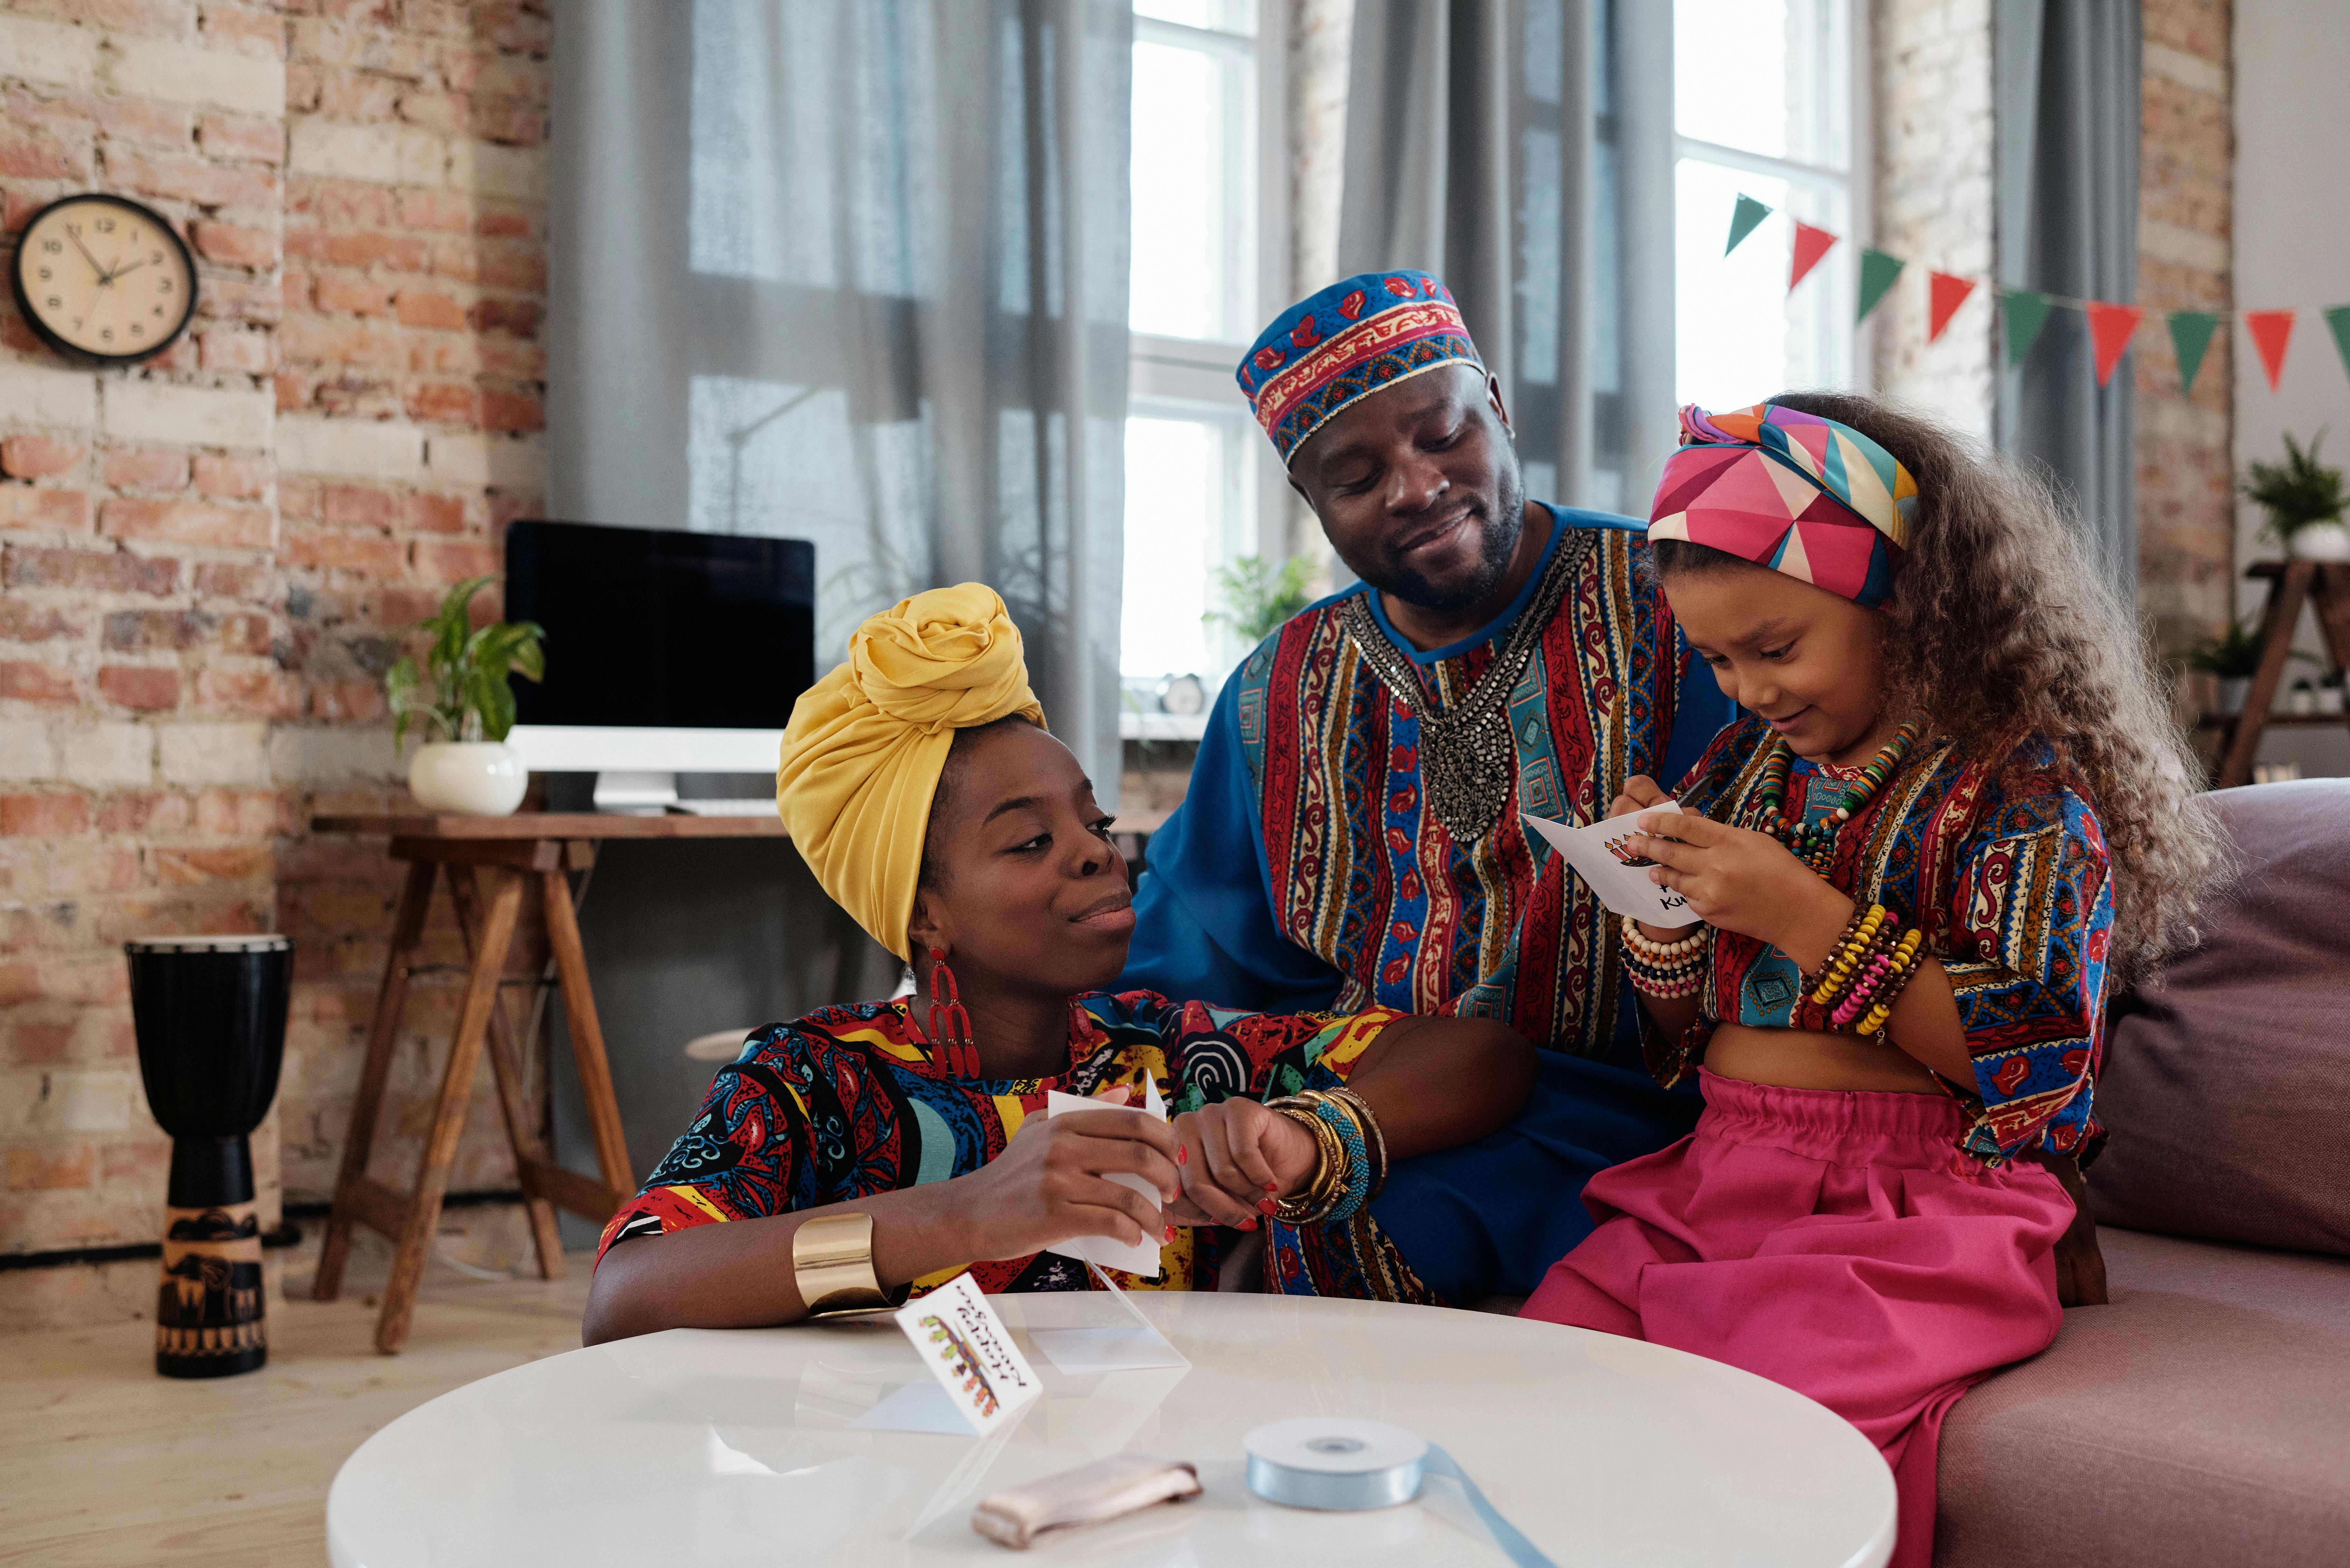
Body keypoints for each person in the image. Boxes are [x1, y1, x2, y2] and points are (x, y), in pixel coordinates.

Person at [1520, 397, 2223, 1567]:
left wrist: (1804, 915)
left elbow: (2035, 1053)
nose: (1747, 688)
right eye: (1717, 659)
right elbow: (1687, 1022)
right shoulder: (1750, 766)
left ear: (1899, 594)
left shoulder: (2022, 781)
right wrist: (1662, 903)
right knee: (1549, 1382)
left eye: (1777, 647)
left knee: (1755, 1434)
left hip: (1920, 1201)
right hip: (1718, 1175)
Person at [582, 585, 1537, 1342]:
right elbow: (625, 1294)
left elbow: (1483, 1059)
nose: (1094, 850)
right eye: (1029, 842)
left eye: (1094, 821)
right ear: (925, 909)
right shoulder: (813, 1082)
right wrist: (960, 1217)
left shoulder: (1170, 1058)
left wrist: (1307, 1129)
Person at [1121, 269, 1741, 1304]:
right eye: (1358, 477)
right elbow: (1191, 963)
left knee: (1353, 1235)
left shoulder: (1682, 612)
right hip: (1370, 1109)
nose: (1416, 487)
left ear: (1496, 406)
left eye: (1443, 434)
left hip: (1637, 1114)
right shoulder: (1276, 695)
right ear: (1311, 502)